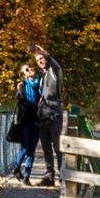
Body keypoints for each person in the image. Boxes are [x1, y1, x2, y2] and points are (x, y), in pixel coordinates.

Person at [31, 42, 64, 185]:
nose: (41, 61)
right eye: (38, 60)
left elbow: (57, 66)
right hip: (42, 117)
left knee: (58, 148)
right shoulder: (42, 78)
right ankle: (49, 176)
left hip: (54, 116)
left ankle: (63, 176)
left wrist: (46, 54)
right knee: (46, 149)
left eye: (42, 59)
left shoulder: (54, 72)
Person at [6, 62, 42, 182]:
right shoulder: (21, 86)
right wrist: (36, 107)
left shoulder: (40, 84)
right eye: (27, 69)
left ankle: (26, 176)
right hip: (26, 121)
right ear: (24, 75)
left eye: (30, 67)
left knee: (32, 150)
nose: (30, 69)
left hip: (37, 121)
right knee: (25, 148)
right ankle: (16, 168)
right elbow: (21, 104)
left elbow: (44, 100)